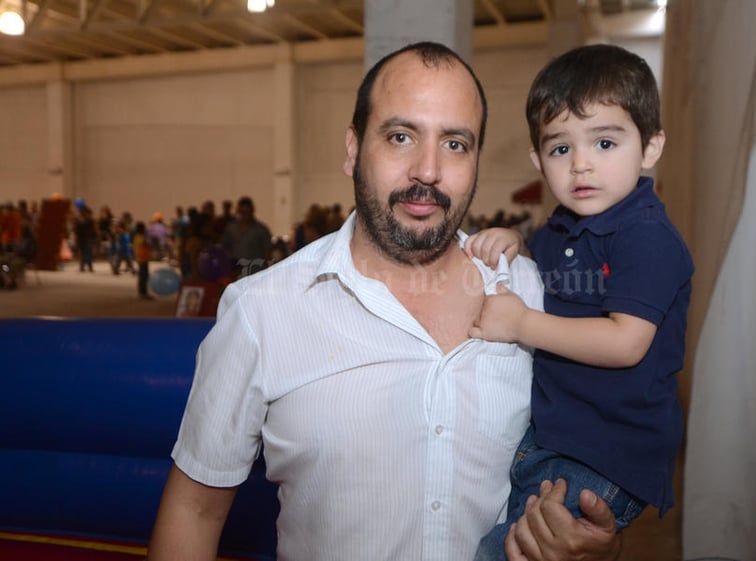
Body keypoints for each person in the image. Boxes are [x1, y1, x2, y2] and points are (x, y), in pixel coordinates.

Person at [147, 41, 621, 561]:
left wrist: (591, 546)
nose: (427, 169)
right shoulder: (263, 310)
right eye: (400, 136)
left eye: (456, 144)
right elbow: (195, 511)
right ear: (353, 148)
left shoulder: (533, 292)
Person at [465, 44, 694, 560]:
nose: (582, 164)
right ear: (538, 160)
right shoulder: (563, 229)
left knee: (500, 552)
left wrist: (522, 323)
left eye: (606, 142)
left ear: (650, 147)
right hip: (557, 437)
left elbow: (626, 342)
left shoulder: (646, 236)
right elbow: (544, 257)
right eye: (561, 149)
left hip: (607, 453)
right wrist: (513, 240)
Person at [221, 196, 272, 278]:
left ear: (252, 211)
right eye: (242, 212)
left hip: (255, 272)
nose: (245, 215)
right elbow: (225, 247)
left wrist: (266, 271)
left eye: (247, 212)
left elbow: (267, 252)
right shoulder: (231, 228)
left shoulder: (261, 230)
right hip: (236, 272)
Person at [133, 221, 153, 300]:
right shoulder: (141, 237)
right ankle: (142, 293)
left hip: (140, 258)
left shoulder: (136, 237)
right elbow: (146, 245)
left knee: (143, 276)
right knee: (143, 276)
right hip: (143, 259)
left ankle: (143, 292)